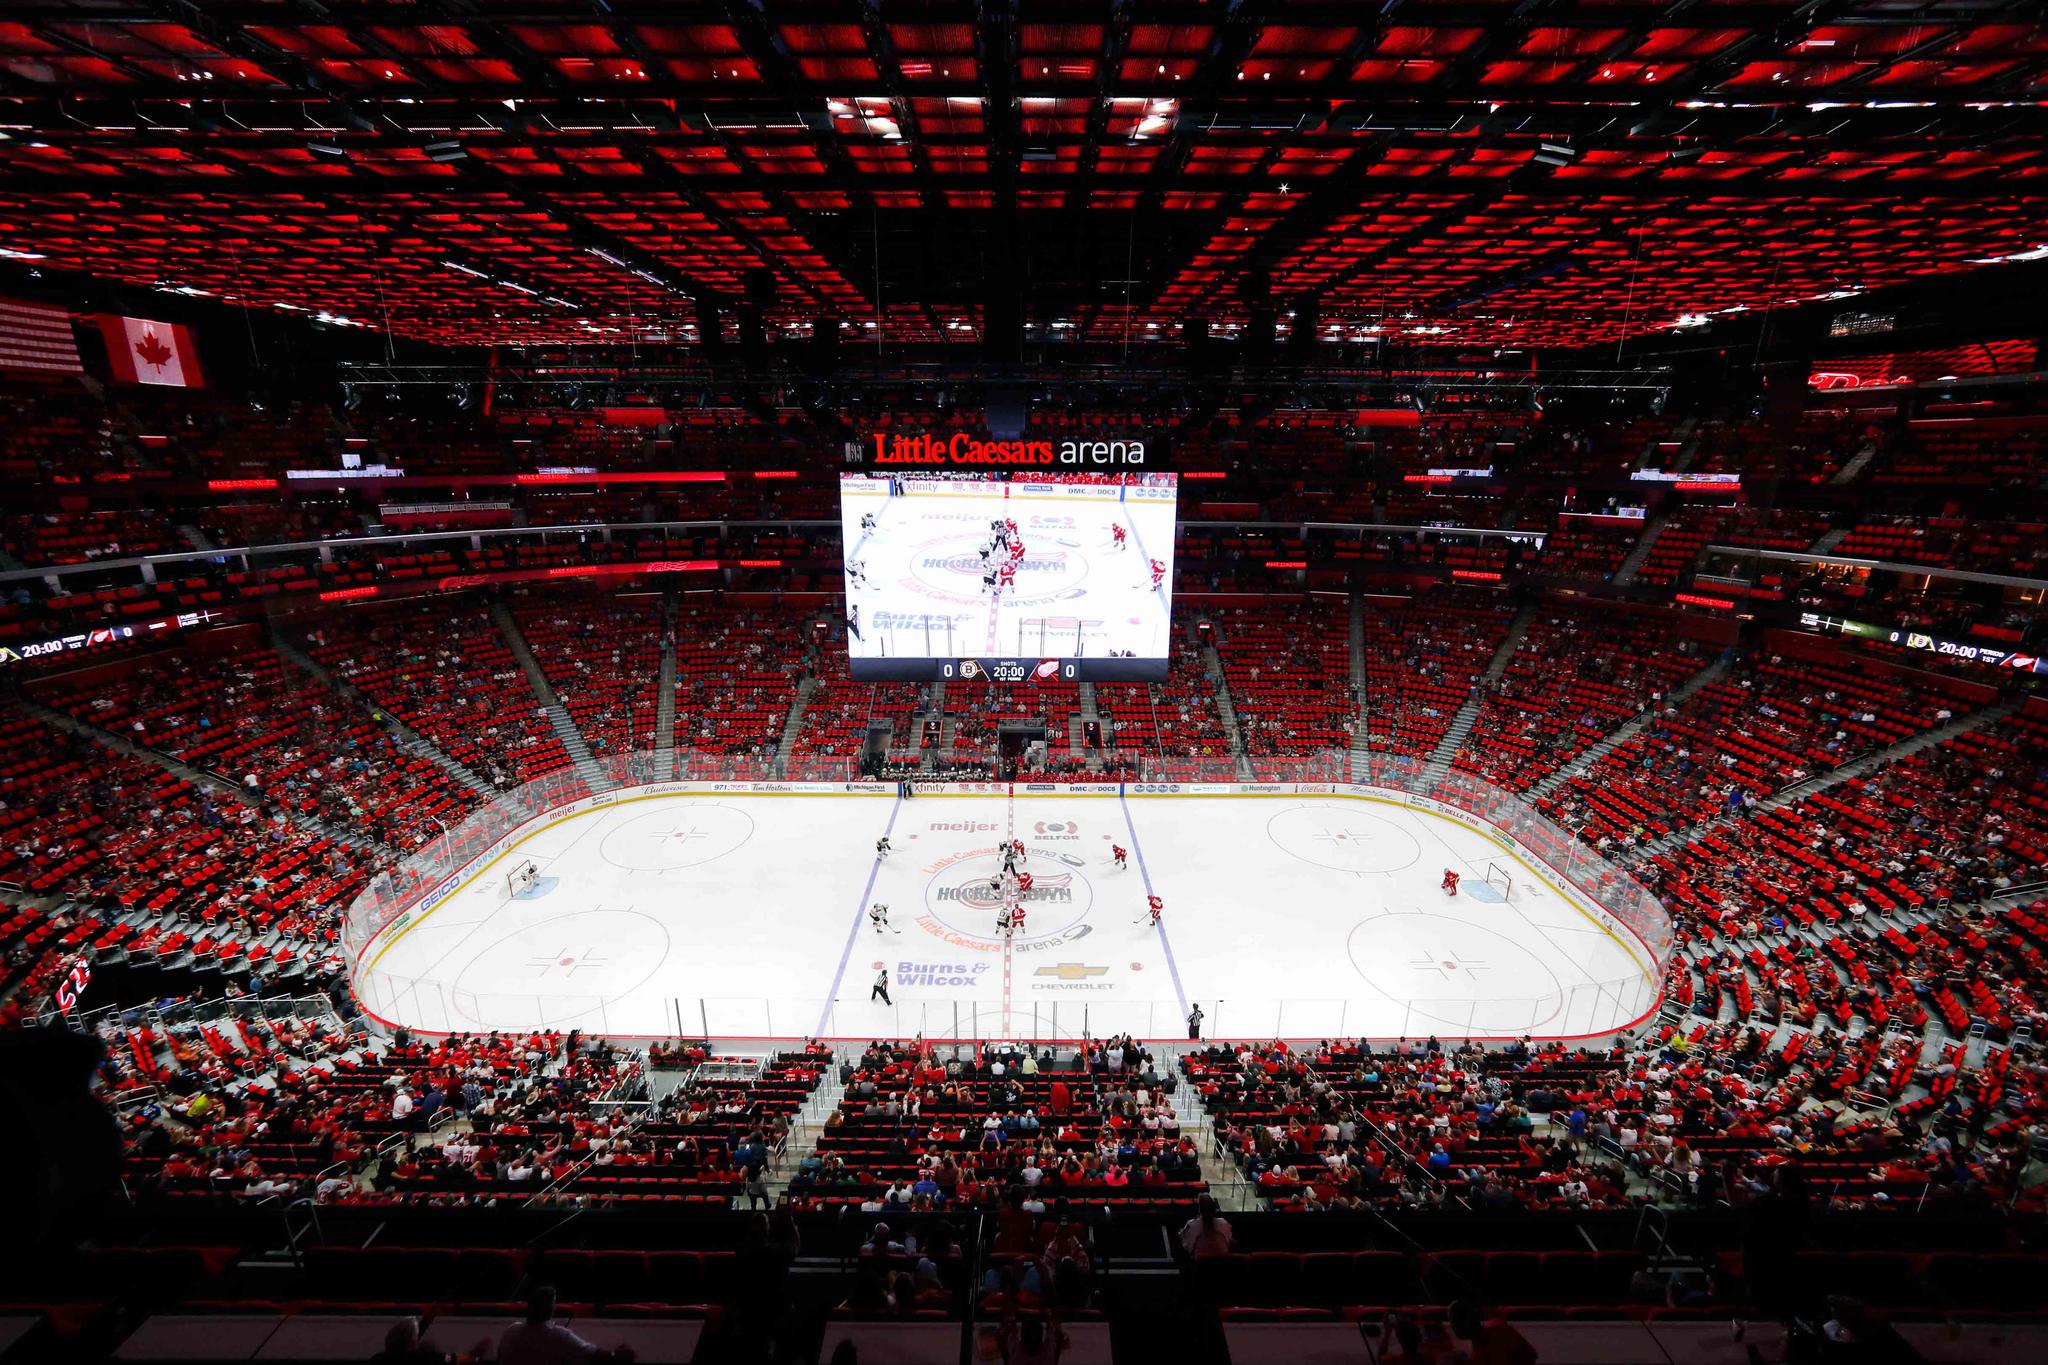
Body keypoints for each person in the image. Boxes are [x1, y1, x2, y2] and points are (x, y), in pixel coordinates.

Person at [497, 1286, 634, 1364]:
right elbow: (596, 1355)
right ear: (551, 1308)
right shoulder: (559, 1336)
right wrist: (617, 1354)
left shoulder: (511, 1331)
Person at [1179, 1194, 1232, 1259]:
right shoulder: (1224, 1223)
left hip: (1199, 1266)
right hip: (1222, 1264)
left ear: (1199, 1209)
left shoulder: (1191, 1225)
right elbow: (1229, 1241)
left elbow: (1186, 1246)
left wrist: (1182, 1235)